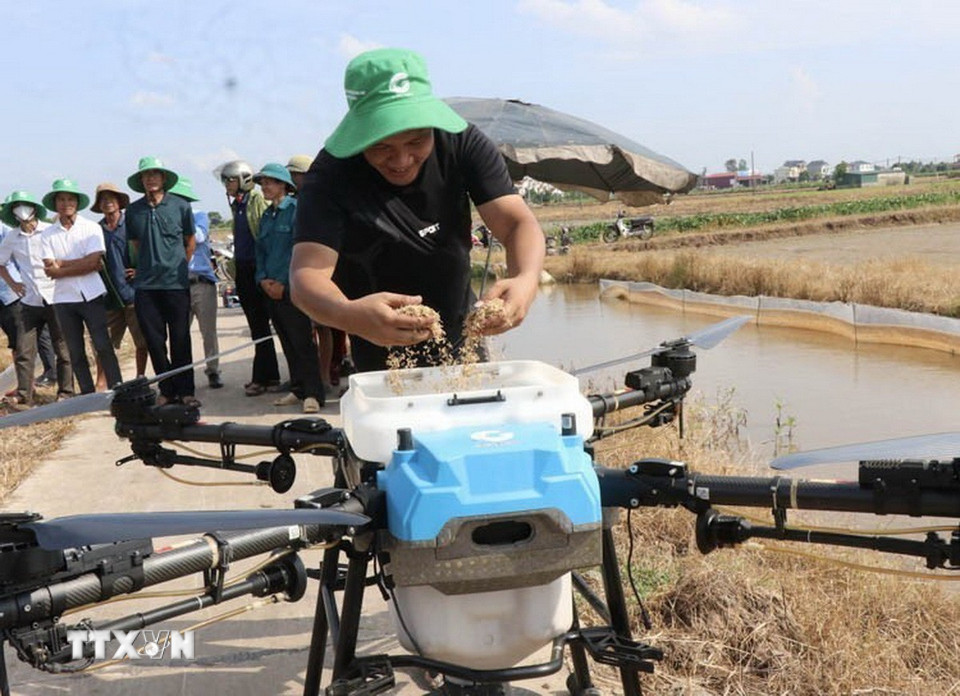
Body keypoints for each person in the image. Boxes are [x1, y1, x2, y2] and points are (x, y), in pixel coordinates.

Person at [290, 48, 545, 373]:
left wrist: (526, 279)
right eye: (381, 147)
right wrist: (348, 314)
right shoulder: (330, 174)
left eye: (415, 142)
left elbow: (515, 223)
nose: (401, 161)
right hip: (379, 345)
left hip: (461, 335)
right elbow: (306, 275)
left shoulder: (462, 143)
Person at [125, 156, 198, 407]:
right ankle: (167, 390)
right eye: (146, 175)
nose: (151, 179)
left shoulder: (180, 206)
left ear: (163, 178)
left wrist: (178, 264)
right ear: (141, 180)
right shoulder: (133, 211)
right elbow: (135, 244)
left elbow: (190, 240)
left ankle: (187, 390)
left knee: (180, 338)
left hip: (175, 284)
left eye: (155, 174)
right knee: (155, 341)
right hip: (146, 286)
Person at [40, 179, 123, 394]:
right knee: (75, 351)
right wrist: (82, 263)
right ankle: (87, 393)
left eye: (70, 199)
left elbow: (95, 262)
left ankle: (118, 388)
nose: (66, 203)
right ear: (55, 204)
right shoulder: (47, 234)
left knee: (103, 345)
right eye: (61, 199)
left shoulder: (91, 228)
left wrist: (63, 267)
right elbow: (49, 267)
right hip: (64, 299)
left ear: (77, 203)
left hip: (91, 295)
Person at [253, 163, 323, 413]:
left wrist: (283, 282)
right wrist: (262, 279)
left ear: (284, 184)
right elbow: (260, 251)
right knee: (287, 341)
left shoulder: (296, 210)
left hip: (290, 287)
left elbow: (298, 249)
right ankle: (297, 388)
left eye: (270, 182)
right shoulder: (266, 215)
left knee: (302, 342)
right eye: (262, 183)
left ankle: (314, 394)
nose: (265, 187)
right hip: (270, 287)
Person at [0, 191, 73, 405]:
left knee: (62, 347)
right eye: (16, 206)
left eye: (25, 205)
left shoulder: (49, 231)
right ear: (12, 212)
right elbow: (1, 262)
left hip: (54, 296)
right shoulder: (12, 237)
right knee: (24, 349)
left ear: (34, 209)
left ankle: (66, 392)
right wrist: (14, 284)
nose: (21, 210)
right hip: (29, 300)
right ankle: (24, 396)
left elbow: (65, 256)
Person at [219, 159, 279, 396]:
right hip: (244, 269)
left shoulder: (256, 201)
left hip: (260, 268)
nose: (227, 184)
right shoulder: (238, 205)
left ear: (243, 180)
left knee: (265, 324)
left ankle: (265, 377)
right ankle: (267, 375)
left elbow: (264, 238)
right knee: (257, 326)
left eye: (230, 179)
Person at [91, 182, 148, 391]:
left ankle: (140, 377)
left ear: (119, 202)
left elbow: (147, 250)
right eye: (103, 199)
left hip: (133, 293)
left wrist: (140, 270)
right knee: (104, 344)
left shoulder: (132, 224)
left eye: (111, 198)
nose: (107, 203)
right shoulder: (96, 230)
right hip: (109, 296)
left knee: (141, 341)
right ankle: (102, 382)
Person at [170, 176, 223, 389]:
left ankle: (213, 371)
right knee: (179, 333)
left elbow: (198, 237)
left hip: (201, 282)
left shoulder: (198, 216)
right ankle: (182, 374)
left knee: (208, 331)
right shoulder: (168, 218)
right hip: (178, 283)